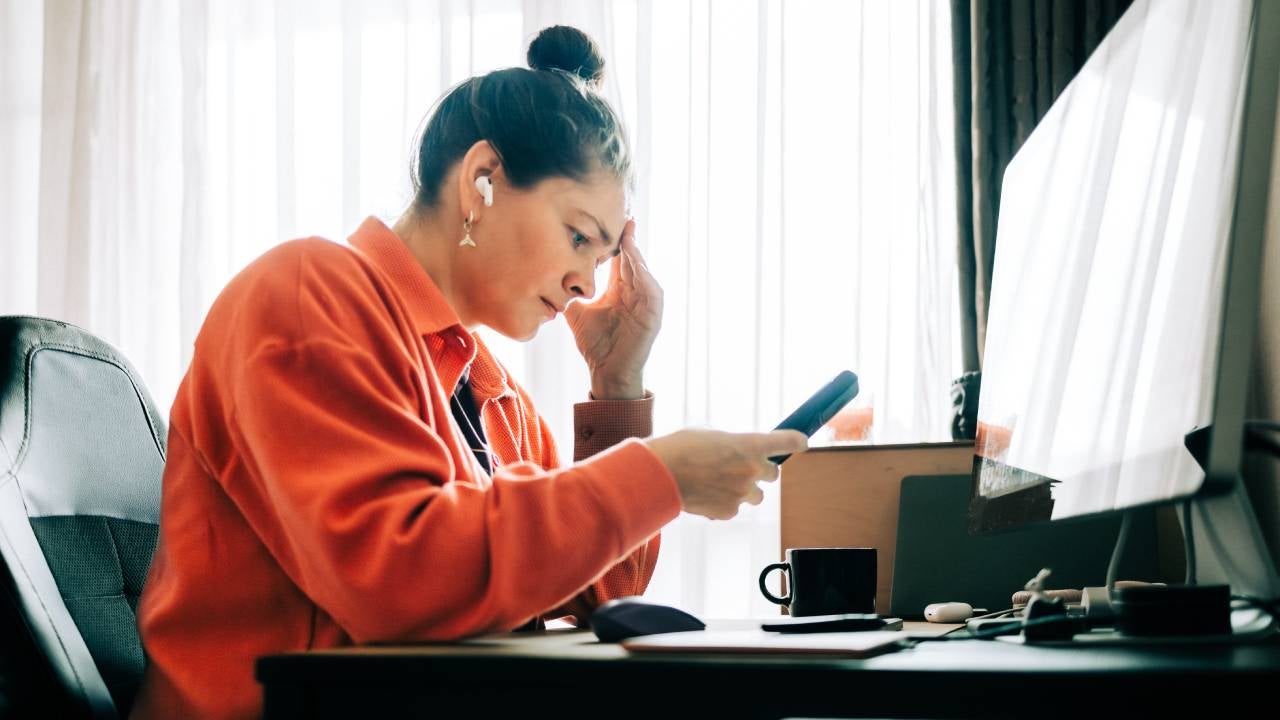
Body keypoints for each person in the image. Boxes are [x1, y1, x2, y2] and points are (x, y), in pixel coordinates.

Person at [130, 25, 806, 719]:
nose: (585, 283)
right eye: (578, 237)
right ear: (482, 180)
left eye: (604, 259)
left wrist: (617, 386)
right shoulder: (308, 295)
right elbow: (404, 584)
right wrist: (659, 474)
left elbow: (606, 597)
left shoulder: (490, 391)